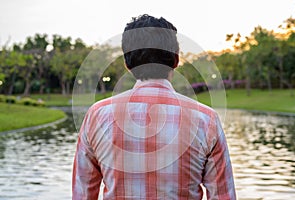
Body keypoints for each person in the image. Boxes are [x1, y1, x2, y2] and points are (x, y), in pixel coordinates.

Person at [72, 14, 236, 199]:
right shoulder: (206, 120)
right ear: (176, 60)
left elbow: (83, 194)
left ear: (127, 64)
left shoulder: (96, 116)